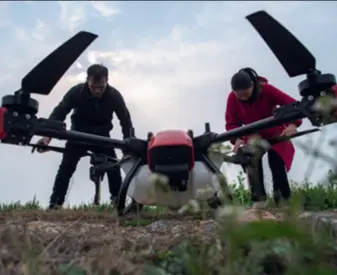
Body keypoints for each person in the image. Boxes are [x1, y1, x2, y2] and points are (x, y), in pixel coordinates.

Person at [37, 64, 133, 209]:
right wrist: (46, 138)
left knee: (113, 168)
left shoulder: (114, 96)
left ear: (107, 80)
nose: (97, 91)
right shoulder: (76, 92)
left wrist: (129, 148)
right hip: (78, 134)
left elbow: (125, 121)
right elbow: (59, 113)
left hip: (102, 137)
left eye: (101, 87)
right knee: (66, 168)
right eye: (94, 86)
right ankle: (55, 204)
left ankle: (118, 203)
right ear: (87, 80)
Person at [225, 67, 302, 207]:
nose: (243, 97)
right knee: (250, 161)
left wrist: (293, 124)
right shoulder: (232, 98)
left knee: (276, 163)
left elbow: (293, 105)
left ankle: (284, 202)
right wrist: (237, 138)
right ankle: (259, 202)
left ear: (253, 85)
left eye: (245, 93)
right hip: (254, 136)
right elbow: (232, 122)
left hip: (276, 133)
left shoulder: (267, 90)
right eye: (239, 95)